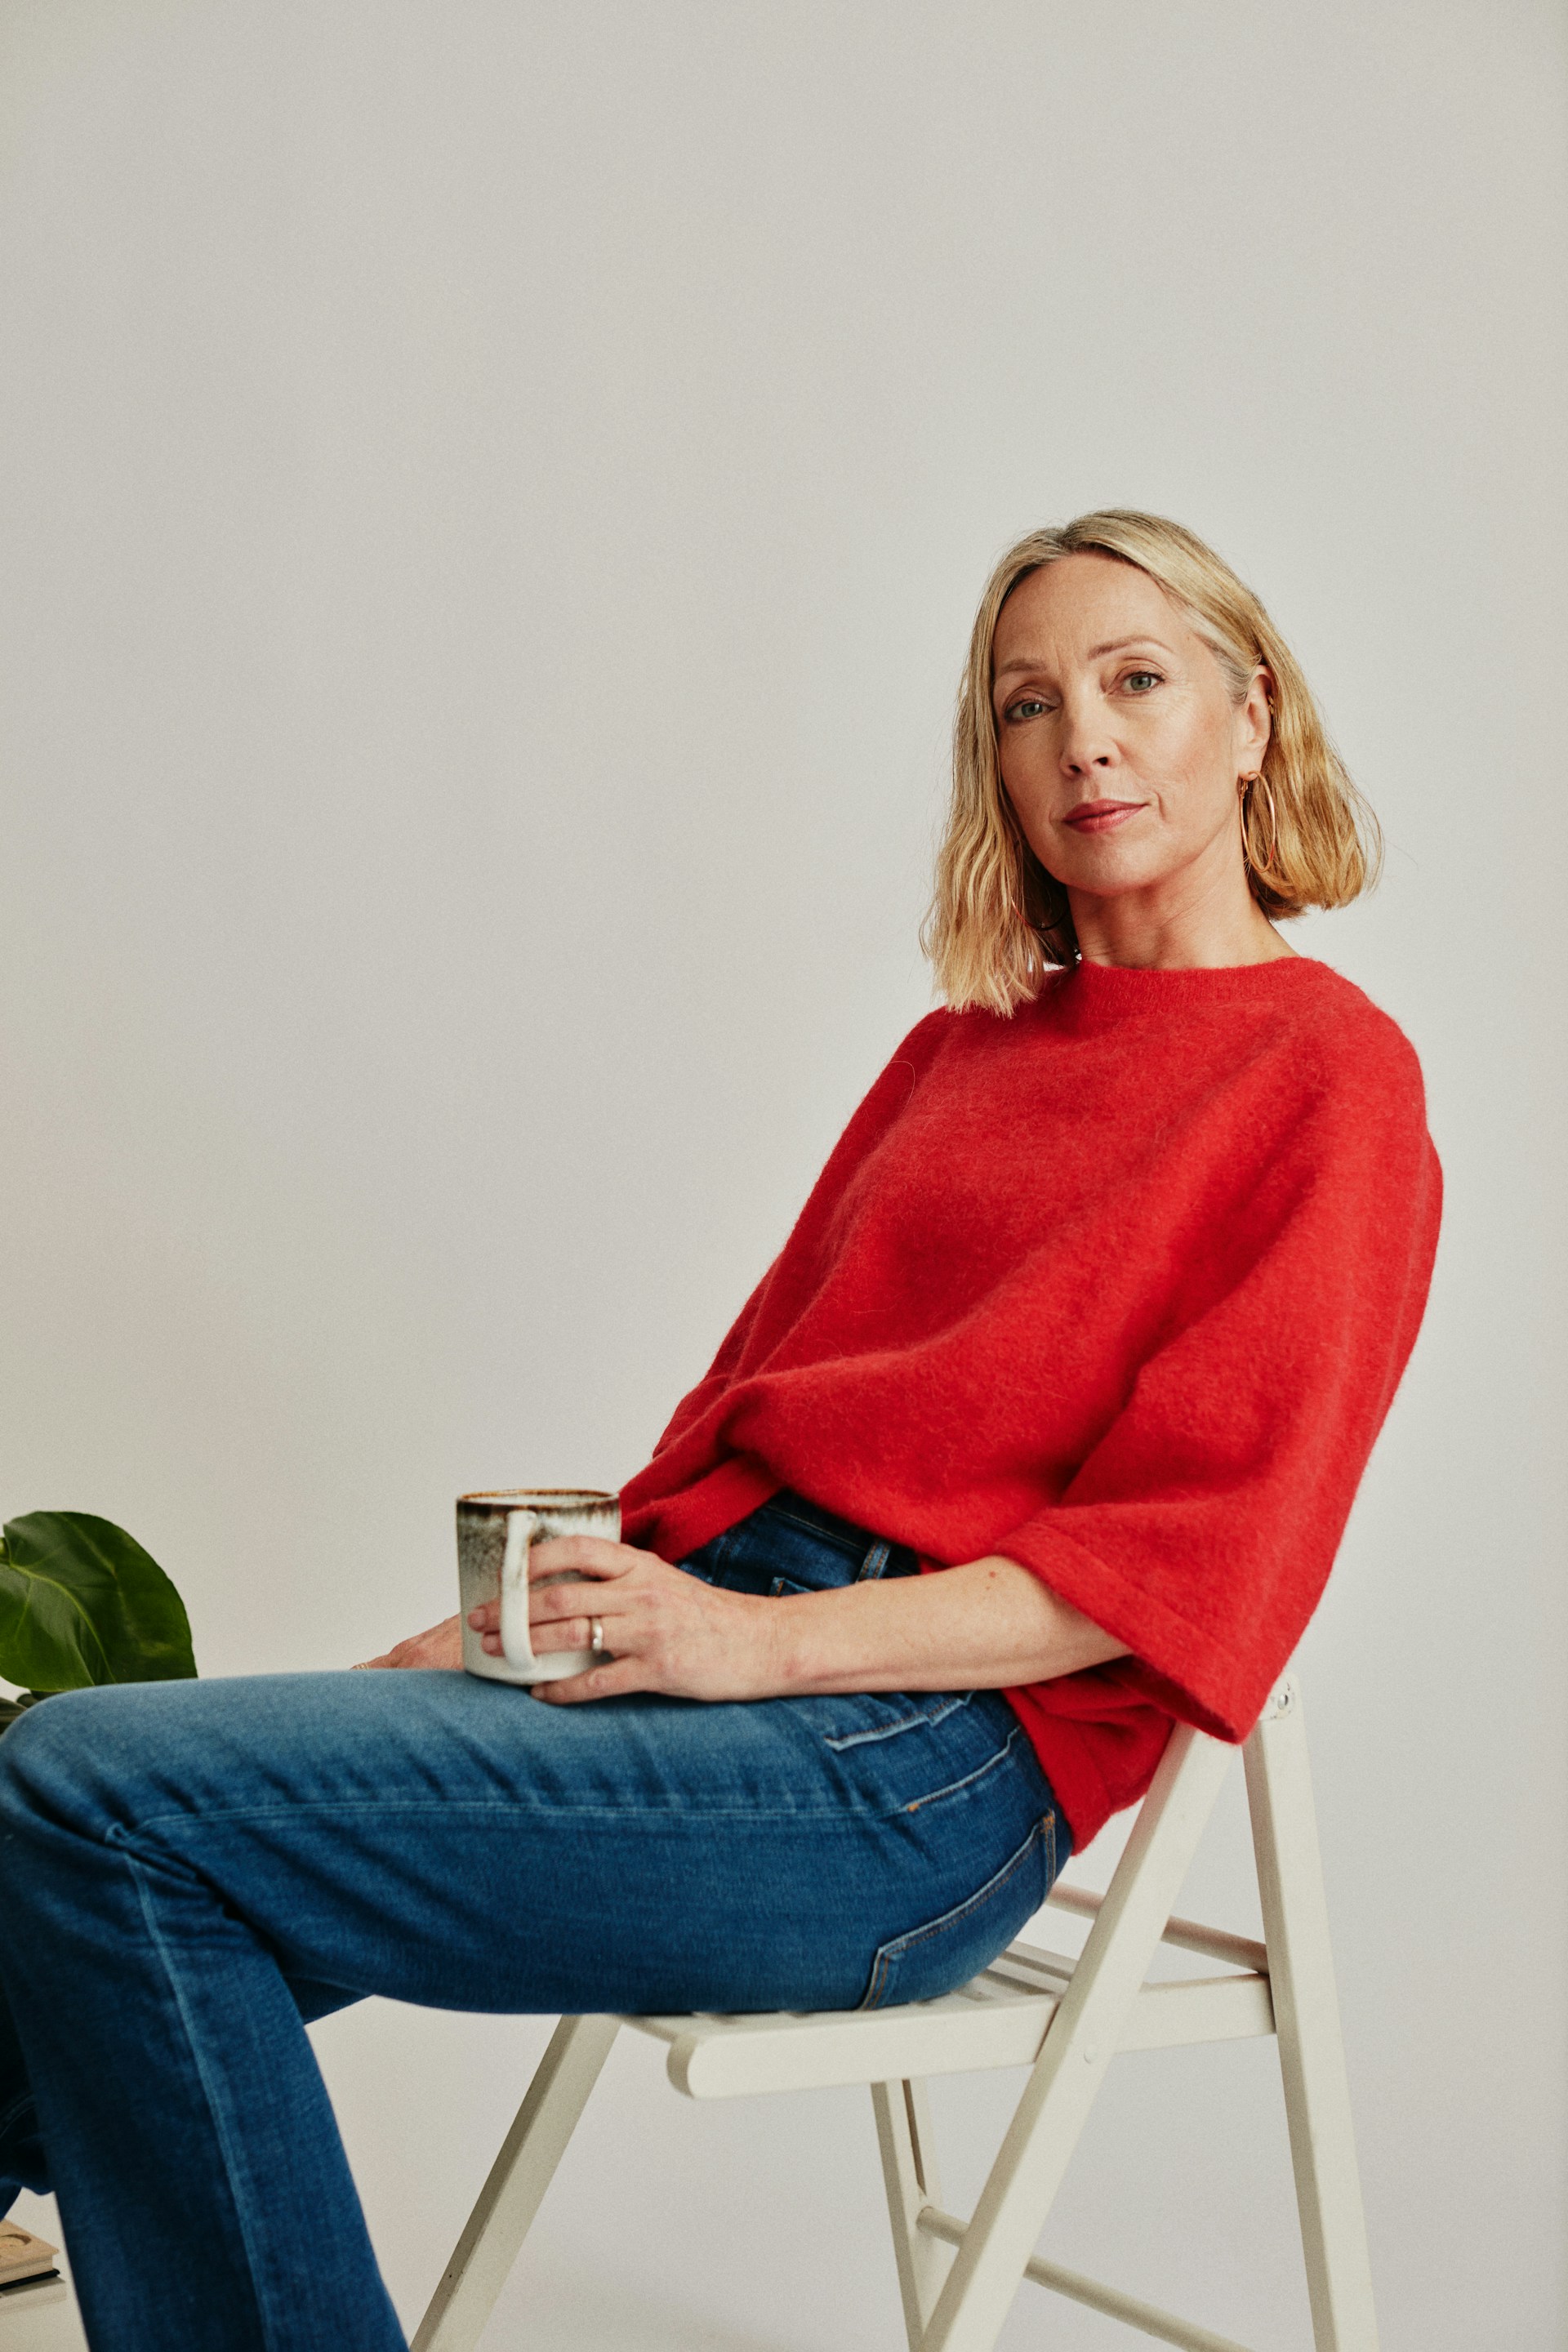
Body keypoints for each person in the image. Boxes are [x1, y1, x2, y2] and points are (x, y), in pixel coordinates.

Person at [0, 510, 1441, 2350]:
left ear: (1249, 719)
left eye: (1135, 681)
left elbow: (1185, 1574)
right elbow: (739, 1415)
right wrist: (512, 1631)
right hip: (702, 1649)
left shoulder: (1329, 1080)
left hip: (911, 1765)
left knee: (94, 1797)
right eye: (1025, 704)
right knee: (74, 1781)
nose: (1080, 736)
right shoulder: (958, 1056)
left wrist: (754, 1643)